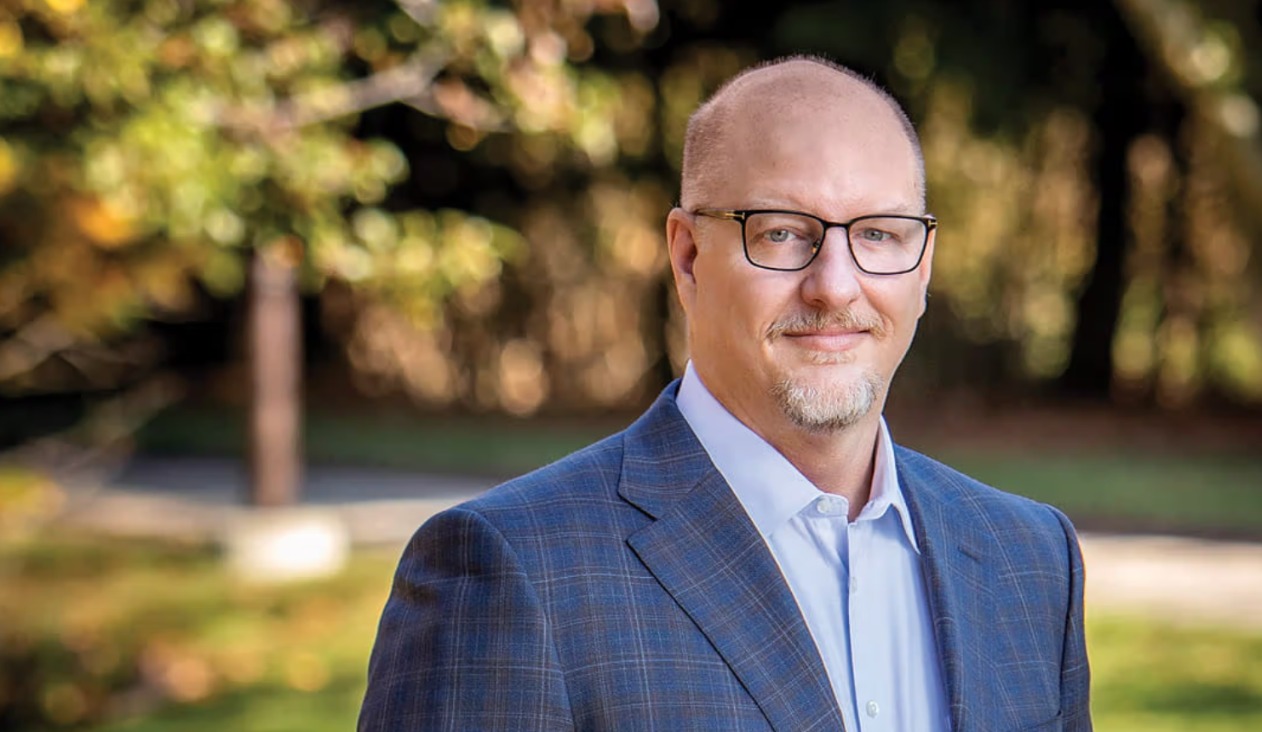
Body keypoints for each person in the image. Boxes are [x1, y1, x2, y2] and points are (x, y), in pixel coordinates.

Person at [358, 55, 1091, 731]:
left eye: (879, 234)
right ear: (688, 257)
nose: (836, 287)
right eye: (781, 233)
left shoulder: (1030, 561)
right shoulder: (511, 572)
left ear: (922, 267)